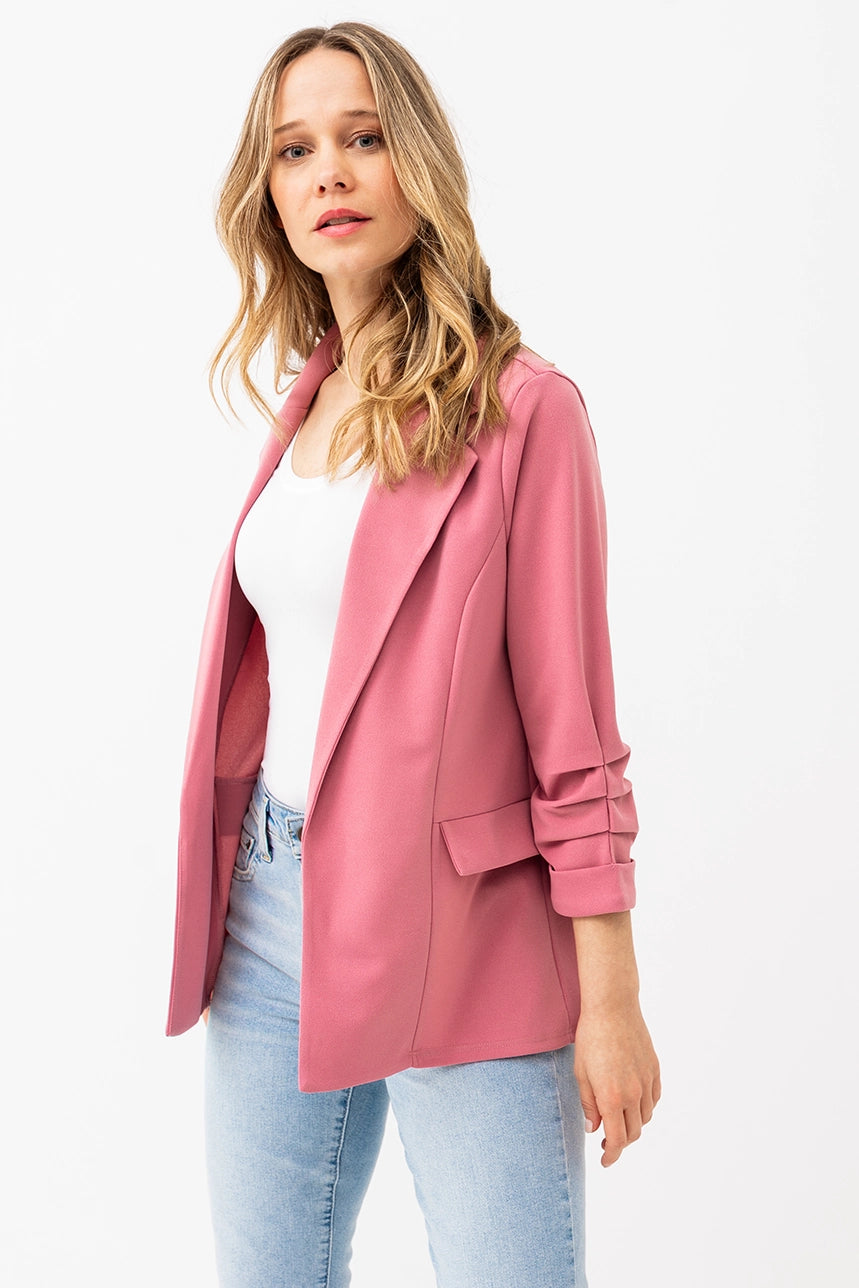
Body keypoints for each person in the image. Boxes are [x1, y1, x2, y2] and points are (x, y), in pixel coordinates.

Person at [167, 20, 660, 1288]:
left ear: (417, 165)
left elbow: (575, 733)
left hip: (469, 930)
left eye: (363, 138)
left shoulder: (525, 412)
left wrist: (609, 995)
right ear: (268, 193)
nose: (328, 173)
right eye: (294, 150)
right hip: (269, 912)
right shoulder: (304, 396)